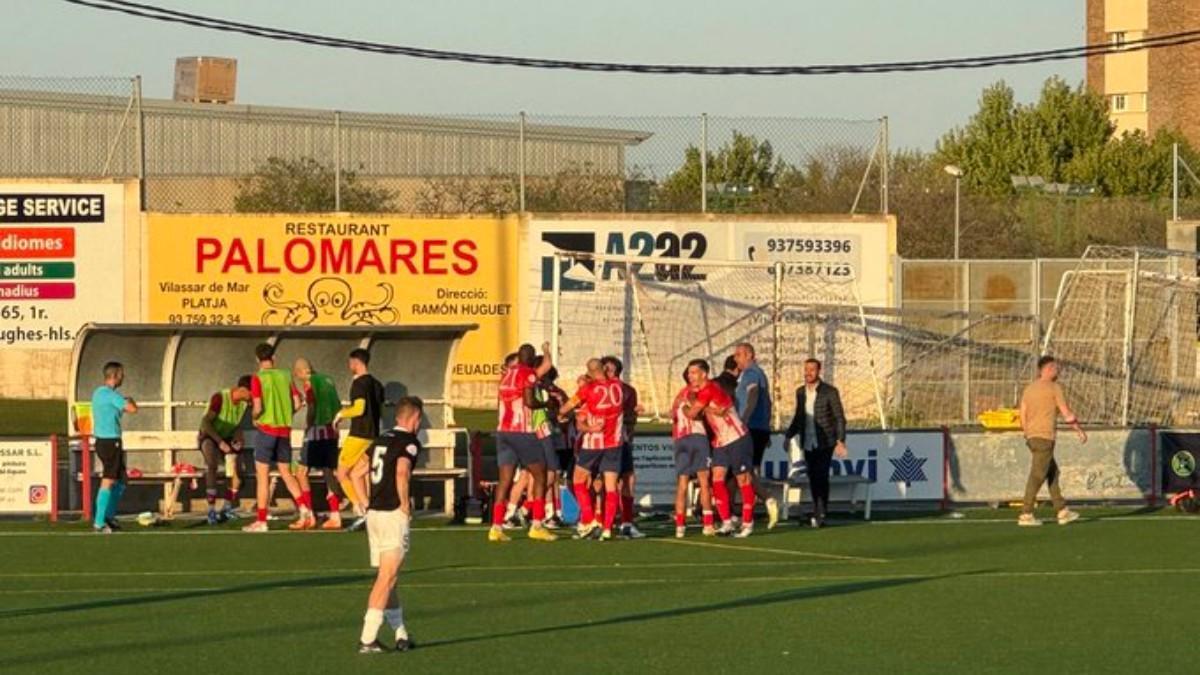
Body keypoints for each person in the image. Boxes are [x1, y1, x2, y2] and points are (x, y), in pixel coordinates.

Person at [358, 396, 422, 654]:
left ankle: (400, 633)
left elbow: (354, 473)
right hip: (392, 515)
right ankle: (367, 639)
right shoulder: (409, 442)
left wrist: (365, 503)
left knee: (388, 577)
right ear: (415, 418)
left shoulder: (381, 439)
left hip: (374, 515)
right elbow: (402, 472)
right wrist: (405, 505)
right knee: (387, 577)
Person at [490, 343, 556, 542]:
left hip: (503, 431)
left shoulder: (506, 375)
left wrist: (545, 354)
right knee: (541, 475)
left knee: (505, 480)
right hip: (522, 432)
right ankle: (537, 525)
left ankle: (496, 527)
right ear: (531, 359)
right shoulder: (528, 374)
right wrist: (546, 403)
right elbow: (529, 401)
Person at [682, 359, 756, 538]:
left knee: (743, 480)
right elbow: (697, 410)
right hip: (720, 441)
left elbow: (692, 413)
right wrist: (709, 410)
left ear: (704, 374)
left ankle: (748, 523)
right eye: (689, 373)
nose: (690, 376)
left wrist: (687, 407)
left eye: (694, 372)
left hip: (737, 438)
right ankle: (726, 522)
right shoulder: (699, 392)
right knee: (717, 479)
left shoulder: (709, 389)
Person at [242, 343, 310, 533]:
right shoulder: (286, 375)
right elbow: (297, 403)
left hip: (266, 430)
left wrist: (254, 418)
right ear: (274, 357)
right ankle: (304, 508)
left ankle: (261, 521)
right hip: (284, 431)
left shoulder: (257, 378)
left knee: (262, 477)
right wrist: (286, 414)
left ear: (257, 359)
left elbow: (257, 407)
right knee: (286, 473)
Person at [559, 358, 624, 540]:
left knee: (578, 480)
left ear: (589, 372)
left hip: (594, 443)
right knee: (611, 487)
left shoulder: (588, 390)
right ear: (603, 368)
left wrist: (561, 413)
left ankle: (588, 520)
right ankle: (607, 528)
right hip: (615, 442)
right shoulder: (619, 386)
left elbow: (568, 406)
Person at [1017, 355, 1086, 527]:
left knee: (1053, 473)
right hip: (1045, 437)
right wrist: (1078, 430)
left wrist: (1027, 433)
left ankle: (1062, 510)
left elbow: (1022, 413)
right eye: (1055, 368)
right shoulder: (1054, 388)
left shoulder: (1029, 389)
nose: (1058, 371)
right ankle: (1026, 513)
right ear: (1047, 369)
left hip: (1032, 437)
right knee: (1037, 475)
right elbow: (1066, 412)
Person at [784, 359, 847, 529]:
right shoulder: (800, 392)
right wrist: (788, 436)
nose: (808, 373)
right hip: (808, 441)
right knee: (813, 477)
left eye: (812, 369)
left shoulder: (829, 391)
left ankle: (821, 513)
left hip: (825, 441)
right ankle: (817, 511)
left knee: (821, 476)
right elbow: (799, 416)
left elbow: (839, 418)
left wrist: (840, 440)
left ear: (819, 371)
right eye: (806, 369)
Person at [293, 358, 348, 530]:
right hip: (331, 430)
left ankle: (309, 515)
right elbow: (338, 407)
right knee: (328, 471)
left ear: (300, 372)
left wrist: (309, 425)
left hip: (317, 430)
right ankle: (335, 515)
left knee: (301, 472)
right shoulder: (328, 380)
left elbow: (312, 407)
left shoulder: (309, 383)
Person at [336, 348, 386, 533]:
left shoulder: (358, 384)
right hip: (373, 435)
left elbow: (359, 409)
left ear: (356, 362)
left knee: (341, 474)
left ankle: (360, 508)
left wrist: (340, 414)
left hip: (358, 435)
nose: (349, 366)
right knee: (360, 474)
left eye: (350, 362)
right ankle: (370, 510)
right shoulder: (377, 384)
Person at [733, 343, 780, 529]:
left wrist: (743, 421)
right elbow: (767, 401)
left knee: (743, 471)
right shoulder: (757, 373)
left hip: (750, 428)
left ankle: (766, 500)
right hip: (759, 428)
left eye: (738, 355)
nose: (735, 358)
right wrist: (766, 427)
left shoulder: (751, 373)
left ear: (749, 355)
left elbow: (753, 396)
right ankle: (747, 512)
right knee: (746, 471)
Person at [198, 375, 251, 525]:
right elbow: (205, 423)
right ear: (243, 390)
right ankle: (211, 510)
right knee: (212, 465)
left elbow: (237, 426)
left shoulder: (244, 404)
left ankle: (227, 507)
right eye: (253, 392)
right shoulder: (220, 398)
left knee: (239, 469)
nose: (256, 396)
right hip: (210, 436)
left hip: (227, 437)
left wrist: (239, 438)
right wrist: (220, 442)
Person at [602, 355, 645, 539]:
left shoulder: (627, 391)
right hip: (598, 442)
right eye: (603, 368)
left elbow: (631, 420)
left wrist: (627, 416)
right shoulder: (596, 388)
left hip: (621, 440)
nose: (605, 372)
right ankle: (597, 521)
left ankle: (626, 522)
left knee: (628, 479)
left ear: (616, 371)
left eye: (609, 369)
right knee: (599, 482)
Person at [91, 361, 137, 533]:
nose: (123, 377)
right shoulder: (111, 395)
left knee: (121, 480)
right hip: (110, 442)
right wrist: (129, 400)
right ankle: (99, 522)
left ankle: (109, 516)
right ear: (115, 375)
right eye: (121, 374)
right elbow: (132, 409)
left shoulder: (98, 393)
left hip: (103, 441)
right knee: (109, 479)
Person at [671, 364, 715, 538]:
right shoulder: (699, 392)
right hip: (697, 437)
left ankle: (680, 527)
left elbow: (672, 415)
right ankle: (708, 524)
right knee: (704, 482)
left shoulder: (679, 394)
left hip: (680, 438)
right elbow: (697, 414)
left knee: (682, 483)